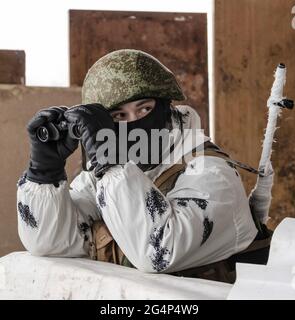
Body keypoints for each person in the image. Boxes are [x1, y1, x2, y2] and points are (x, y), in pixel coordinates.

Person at [17, 49, 260, 281]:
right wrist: (44, 172)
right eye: (119, 116)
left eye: (144, 108)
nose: (134, 123)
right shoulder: (103, 177)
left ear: (166, 108)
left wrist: (110, 162)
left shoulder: (211, 173)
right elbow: (49, 241)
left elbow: (158, 252)